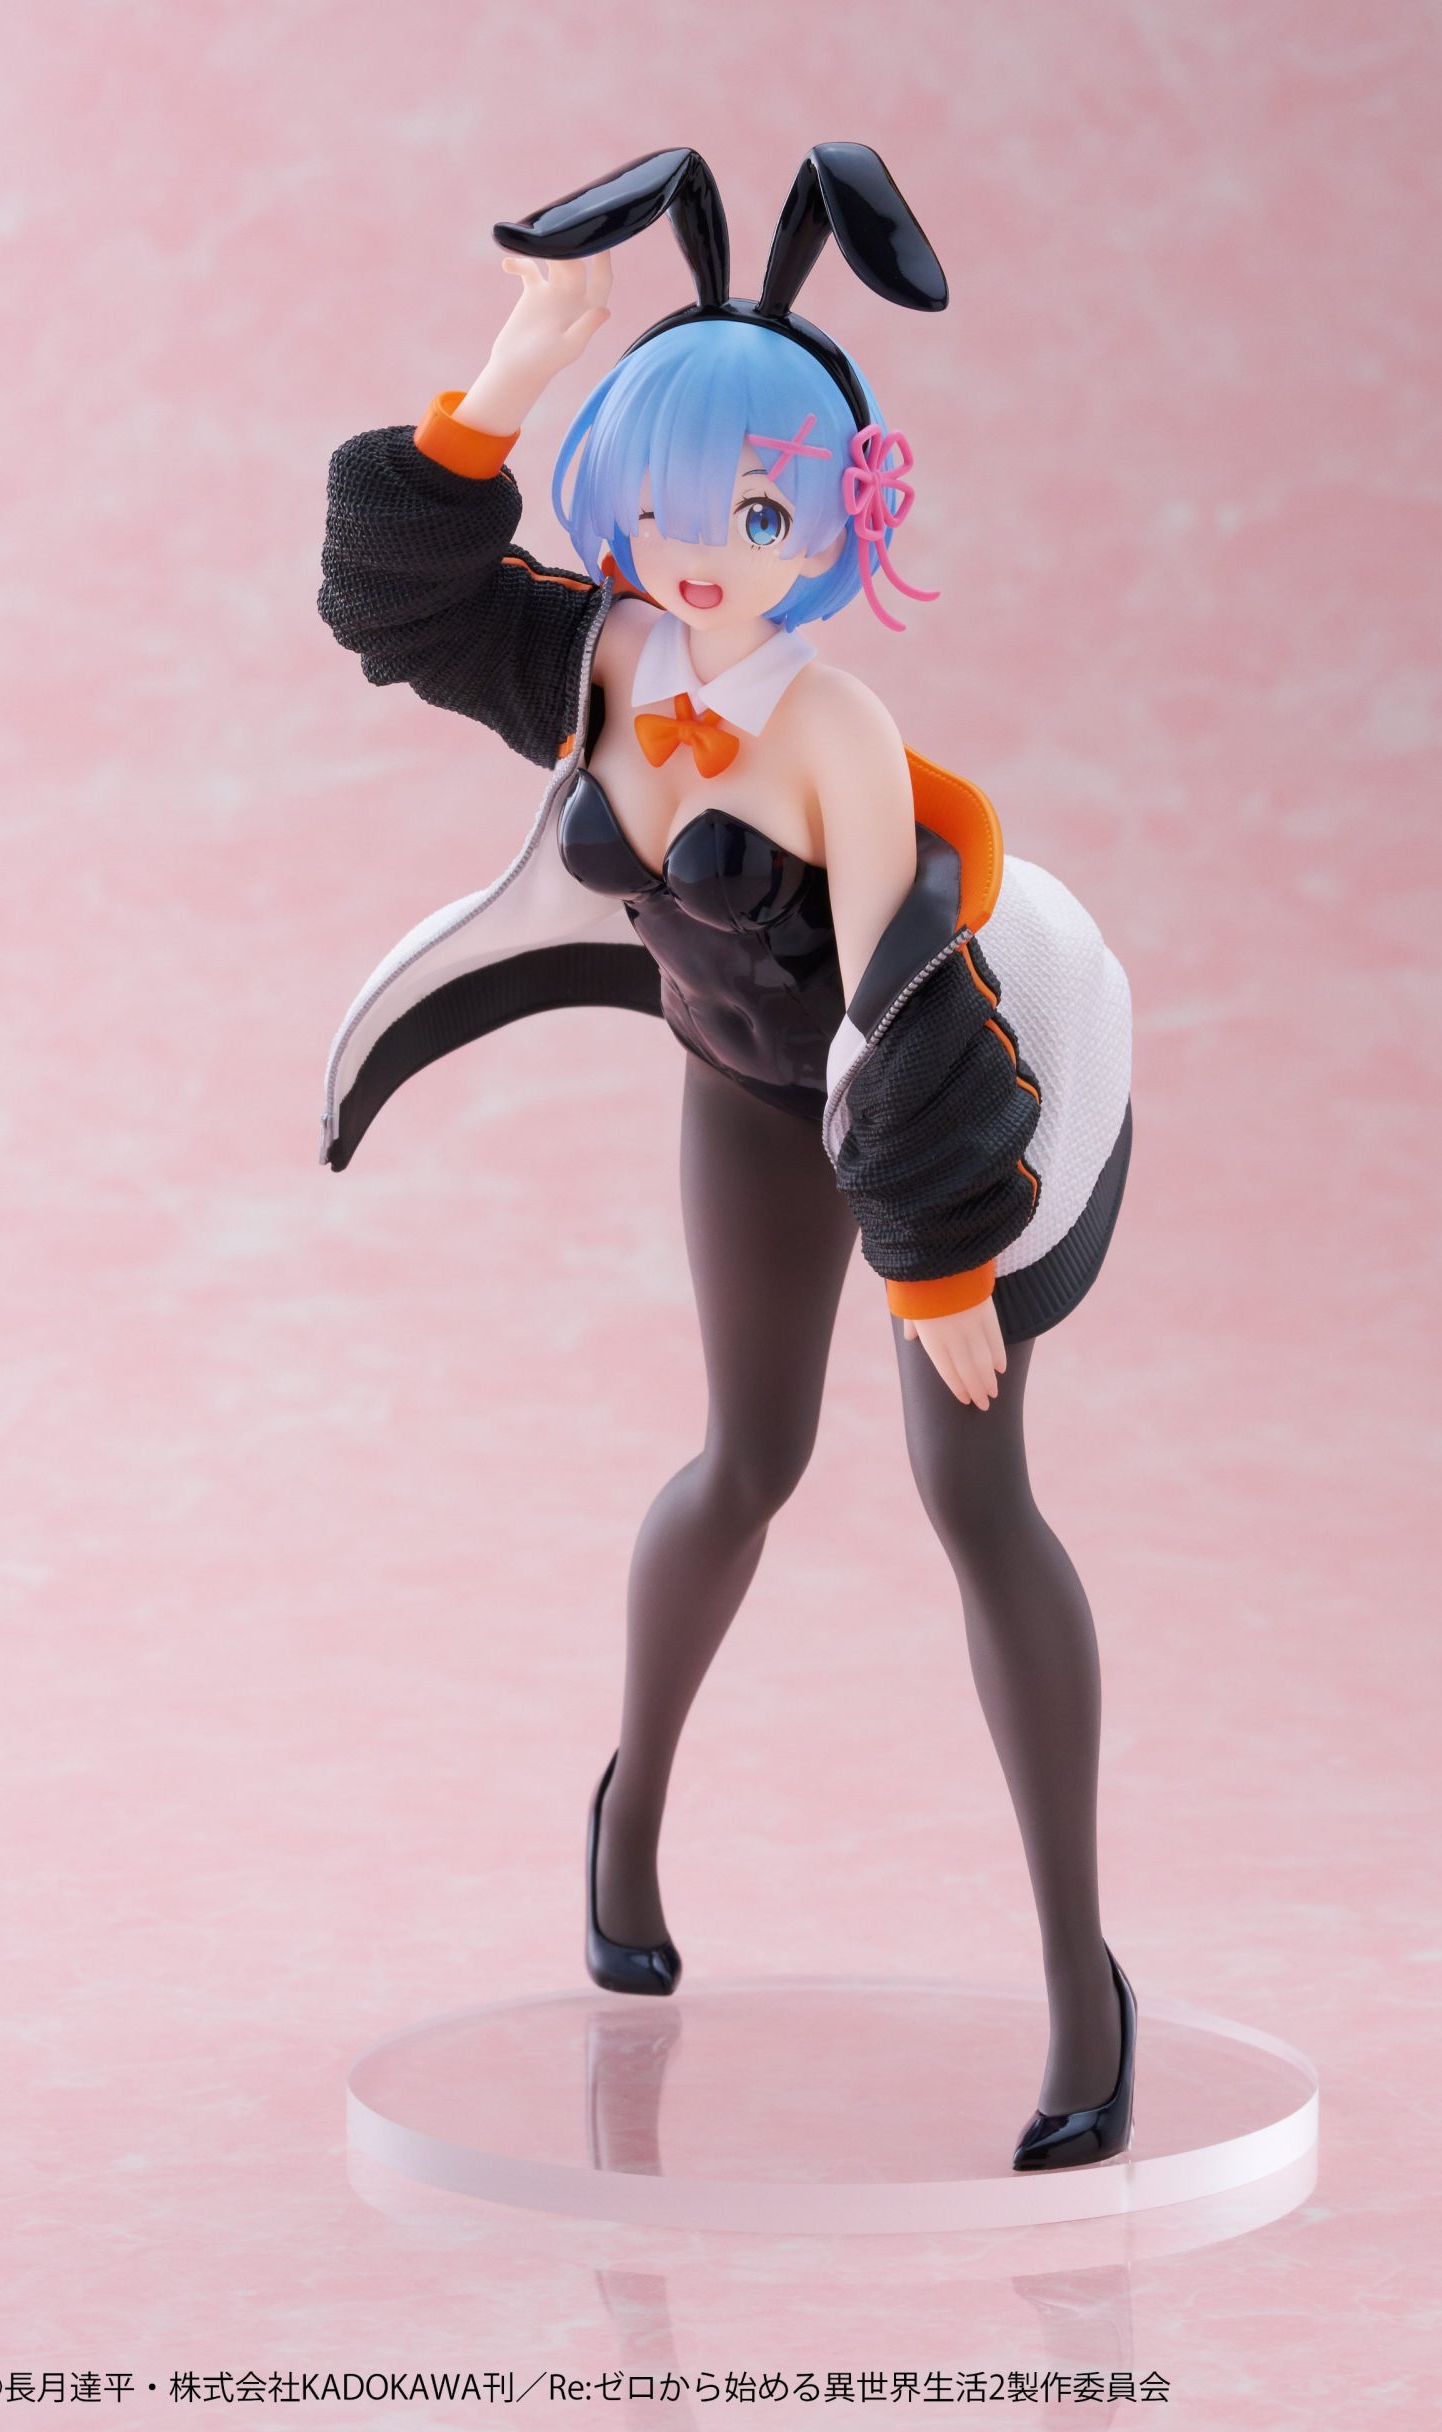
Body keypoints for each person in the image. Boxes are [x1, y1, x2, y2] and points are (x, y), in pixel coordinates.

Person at [317, 147, 1137, 2170]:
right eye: (674, 508)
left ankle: (1079, 1983)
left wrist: (940, 1264)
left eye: (756, 515)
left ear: (835, 518)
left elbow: (903, 1001)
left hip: (955, 1091)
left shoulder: (831, 734)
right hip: (737, 1089)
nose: (704, 556)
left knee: (975, 1496)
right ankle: (628, 1825)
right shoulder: (609, 661)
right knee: (742, 1464)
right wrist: (513, 374)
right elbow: (394, 601)